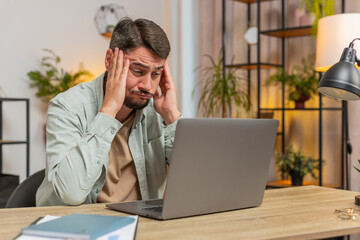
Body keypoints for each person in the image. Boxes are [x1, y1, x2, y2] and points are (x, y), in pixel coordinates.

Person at [36, 18, 181, 206]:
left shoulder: (158, 110)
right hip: (77, 227)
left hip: (141, 226)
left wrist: (172, 116)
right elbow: (70, 194)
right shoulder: (67, 107)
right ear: (110, 60)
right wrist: (109, 110)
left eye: (156, 74)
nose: (148, 86)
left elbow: (197, 179)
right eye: (138, 71)